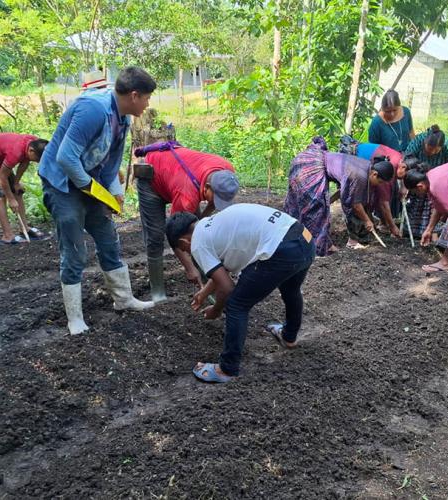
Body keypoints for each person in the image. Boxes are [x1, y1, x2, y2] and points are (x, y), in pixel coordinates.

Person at [38, 66, 157, 335]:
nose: (148, 104)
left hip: (89, 182)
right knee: (75, 249)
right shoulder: (93, 109)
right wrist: (92, 190)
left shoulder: (123, 118)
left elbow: (111, 163)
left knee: (107, 237)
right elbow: (65, 157)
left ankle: (124, 299)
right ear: (135, 95)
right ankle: (75, 318)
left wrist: (112, 192)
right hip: (62, 183)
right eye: (148, 98)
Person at [165, 204, 316, 383]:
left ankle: (226, 369)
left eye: (184, 251)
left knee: (236, 305)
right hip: (304, 239)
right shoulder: (212, 225)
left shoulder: (197, 243)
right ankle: (288, 336)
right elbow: (223, 270)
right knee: (290, 289)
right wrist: (204, 293)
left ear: (184, 242)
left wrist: (217, 309)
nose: (188, 253)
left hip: (282, 249)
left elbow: (227, 287)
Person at [132, 141, 240, 301]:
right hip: (152, 178)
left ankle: (207, 281)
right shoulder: (187, 196)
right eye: (217, 199)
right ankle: (158, 291)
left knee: (196, 231)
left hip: (177, 176)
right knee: (155, 236)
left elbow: (207, 212)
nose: (219, 203)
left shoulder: (225, 172)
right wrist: (189, 268)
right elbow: (174, 233)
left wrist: (201, 222)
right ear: (207, 187)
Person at [284, 137, 394, 254]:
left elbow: (344, 190)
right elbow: (355, 205)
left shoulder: (366, 166)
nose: (379, 185)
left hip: (309, 159)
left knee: (312, 205)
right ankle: (318, 246)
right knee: (316, 210)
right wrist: (367, 221)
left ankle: (295, 235)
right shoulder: (360, 176)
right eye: (380, 182)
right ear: (375, 174)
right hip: (311, 166)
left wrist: (329, 201)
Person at [0, 133, 48, 244]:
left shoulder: (35, 143)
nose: (38, 162)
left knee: (17, 191)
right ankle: (7, 235)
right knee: (0, 196)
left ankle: (25, 228)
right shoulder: (15, 152)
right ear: (31, 151)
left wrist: (16, 183)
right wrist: (11, 199)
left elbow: (25, 162)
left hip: (1, 159)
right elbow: (2, 177)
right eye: (37, 159)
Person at [402, 124, 448, 238]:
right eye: (429, 149)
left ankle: (429, 232)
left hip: (436, 179)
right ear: (425, 143)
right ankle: (411, 230)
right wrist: (404, 185)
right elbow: (406, 161)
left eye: (435, 151)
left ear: (441, 148)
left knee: (432, 205)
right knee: (415, 201)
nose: (431, 153)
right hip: (418, 176)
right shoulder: (417, 141)